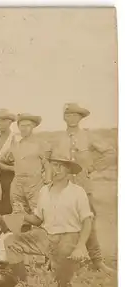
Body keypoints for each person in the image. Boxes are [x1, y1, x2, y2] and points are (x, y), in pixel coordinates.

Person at [4, 150, 94, 287]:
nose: (56, 170)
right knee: (10, 241)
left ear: (68, 169)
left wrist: (81, 245)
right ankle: (22, 284)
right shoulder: (44, 191)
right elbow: (38, 220)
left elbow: (87, 221)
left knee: (60, 285)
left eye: (60, 166)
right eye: (54, 165)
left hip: (68, 238)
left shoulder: (77, 192)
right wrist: (22, 213)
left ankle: (67, 271)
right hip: (46, 237)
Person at [51, 103, 115, 274]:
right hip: (63, 188)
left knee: (89, 222)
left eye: (75, 115)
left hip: (83, 186)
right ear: (64, 117)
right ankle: (63, 261)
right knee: (62, 222)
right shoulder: (58, 139)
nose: (72, 118)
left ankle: (97, 261)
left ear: (80, 118)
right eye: (69, 115)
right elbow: (49, 160)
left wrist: (92, 167)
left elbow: (110, 153)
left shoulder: (89, 136)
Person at [2, 113, 51, 216]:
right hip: (17, 184)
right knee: (18, 212)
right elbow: (1, 161)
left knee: (37, 213)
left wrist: (47, 182)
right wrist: (13, 169)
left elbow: (47, 165)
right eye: (22, 126)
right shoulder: (16, 145)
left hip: (35, 183)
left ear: (33, 126)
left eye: (28, 125)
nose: (24, 129)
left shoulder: (41, 144)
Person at [0, 109, 19, 215]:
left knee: (9, 205)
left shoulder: (15, 139)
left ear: (10, 122)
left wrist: (4, 167)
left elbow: (20, 166)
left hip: (10, 178)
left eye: (4, 120)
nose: (1, 123)